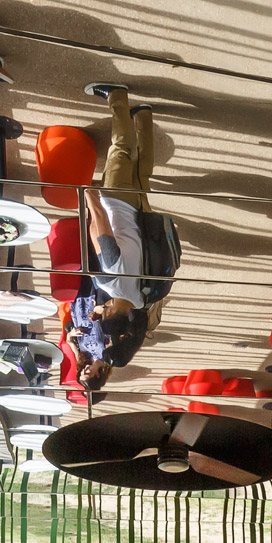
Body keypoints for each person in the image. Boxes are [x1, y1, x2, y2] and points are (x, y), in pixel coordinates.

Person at [63, 81, 160, 395]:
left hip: (142, 218)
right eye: (106, 313)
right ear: (113, 312)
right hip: (118, 206)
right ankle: (117, 97)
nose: (101, 310)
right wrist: (91, 199)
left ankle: (143, 117)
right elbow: (102, 231)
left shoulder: (141, 302)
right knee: (120, 153)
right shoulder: (109, 283)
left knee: (142, 171)